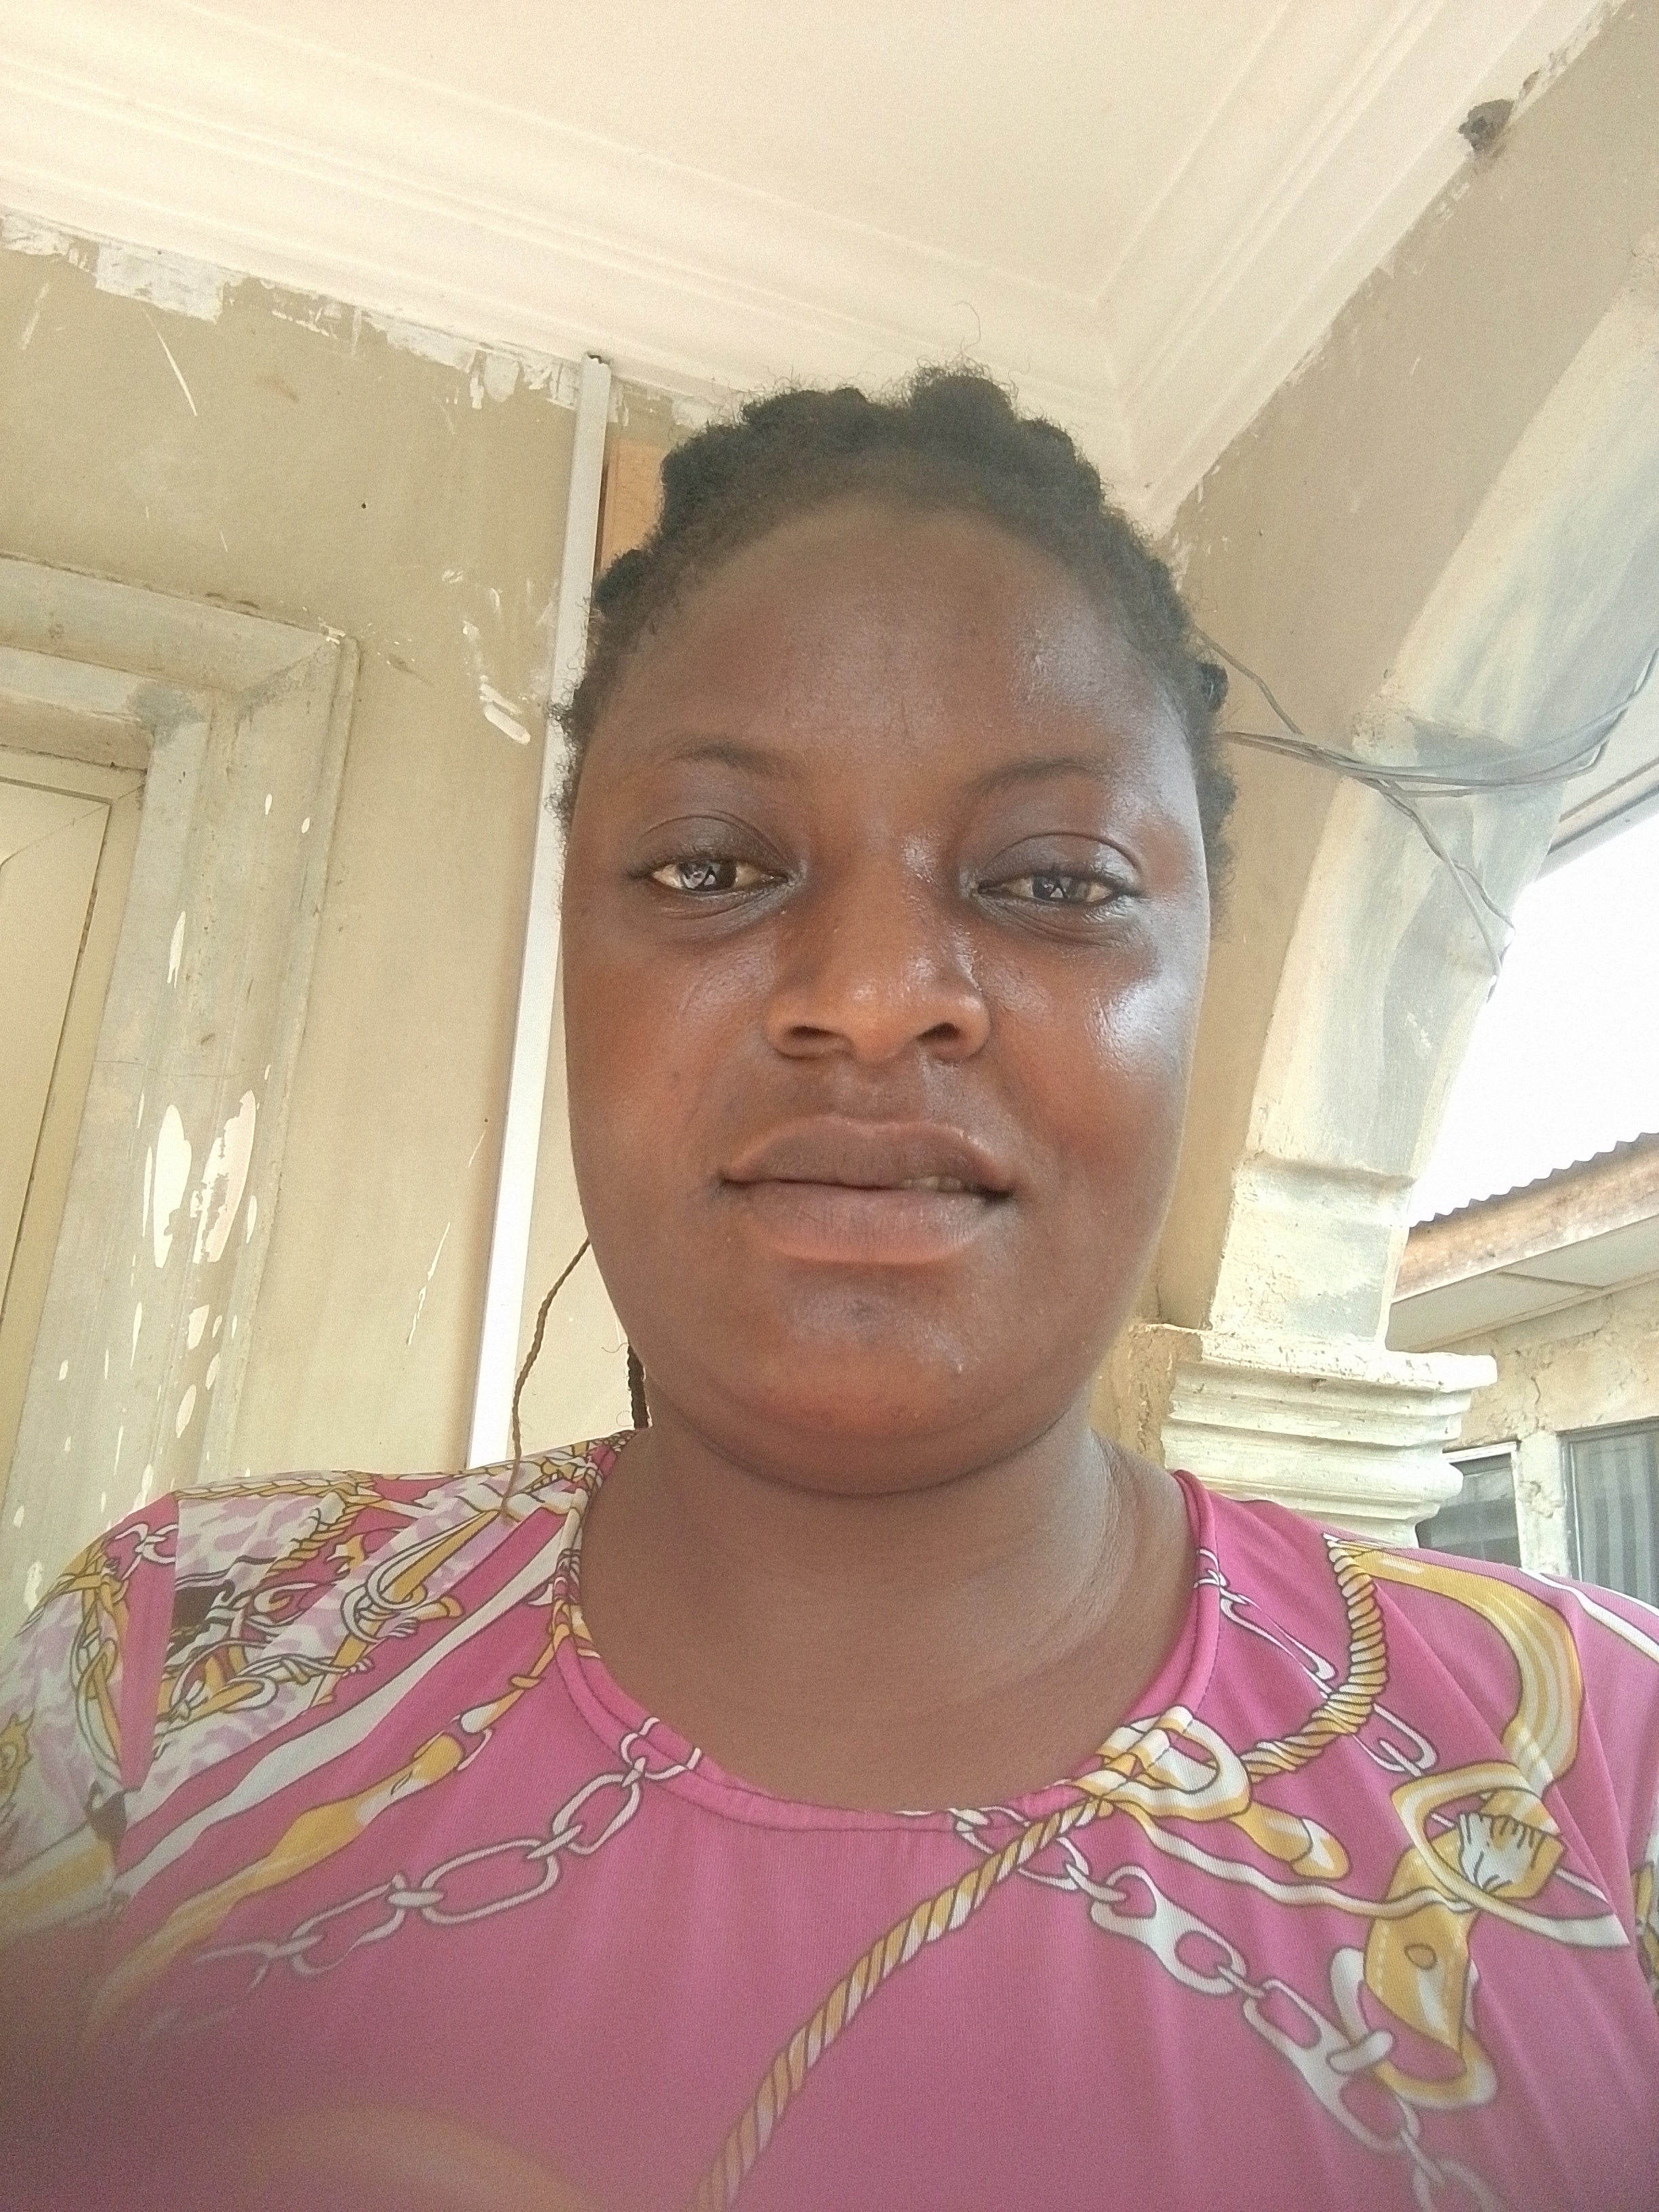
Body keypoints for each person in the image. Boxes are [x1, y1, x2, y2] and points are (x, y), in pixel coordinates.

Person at [1, 370, 1656, 2212]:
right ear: (579, 954)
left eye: (1054, 882)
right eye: (713, 867)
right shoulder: (173, 1675)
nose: (873, 999)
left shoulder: (1601, 1765)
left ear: (1202, 979)